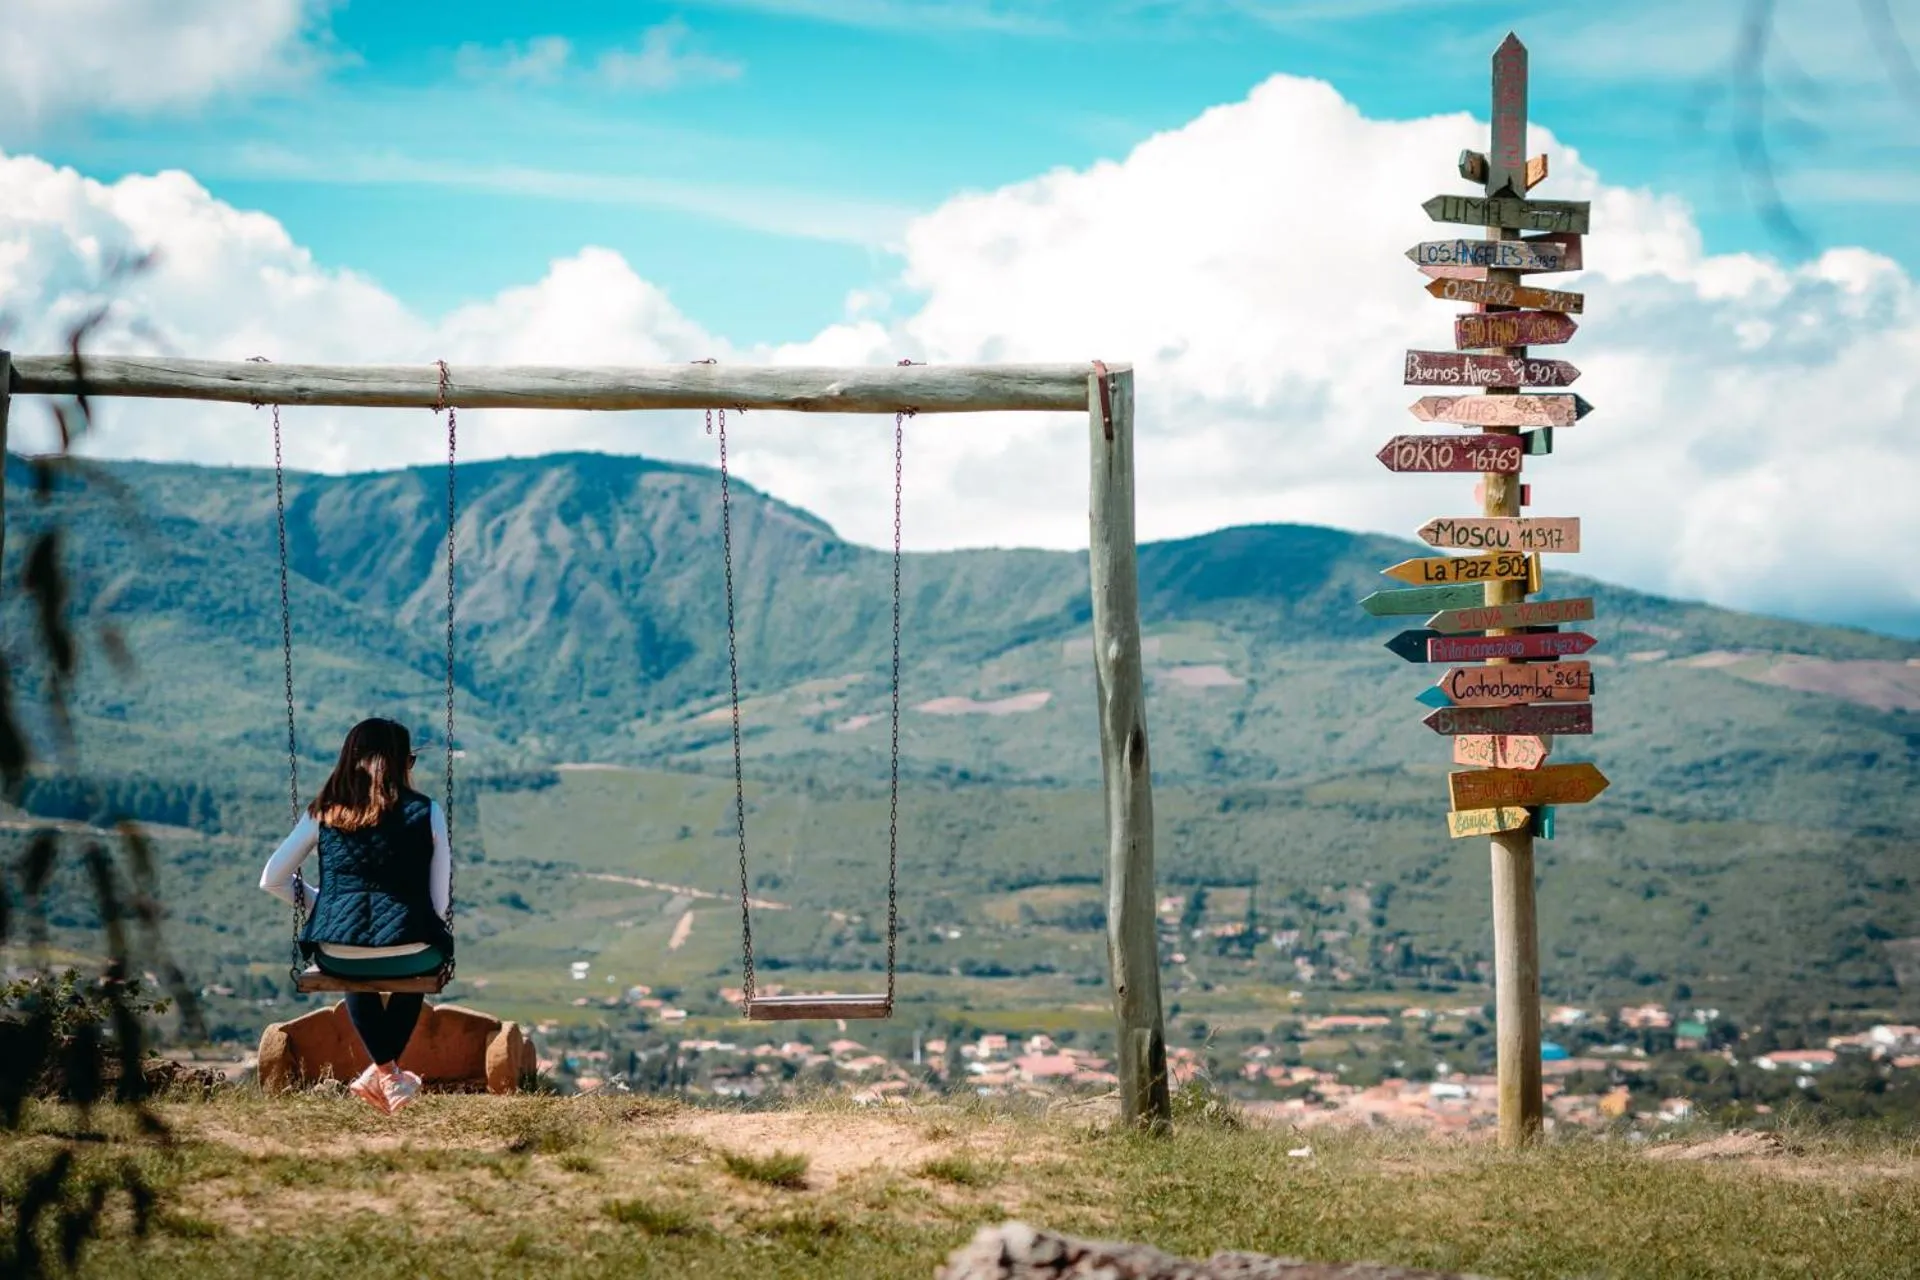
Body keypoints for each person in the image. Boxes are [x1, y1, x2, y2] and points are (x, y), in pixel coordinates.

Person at [260, 717, 453, 1114]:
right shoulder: (426, 811)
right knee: (415, 965)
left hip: (337, 951)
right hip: (412, 947)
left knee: (353, 960)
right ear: (400, 762)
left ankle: (382, 1074)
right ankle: (389, 1077)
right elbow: (439, 905)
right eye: (410, 759)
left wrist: (323, 907)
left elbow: (273, 880)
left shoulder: (324, 812)